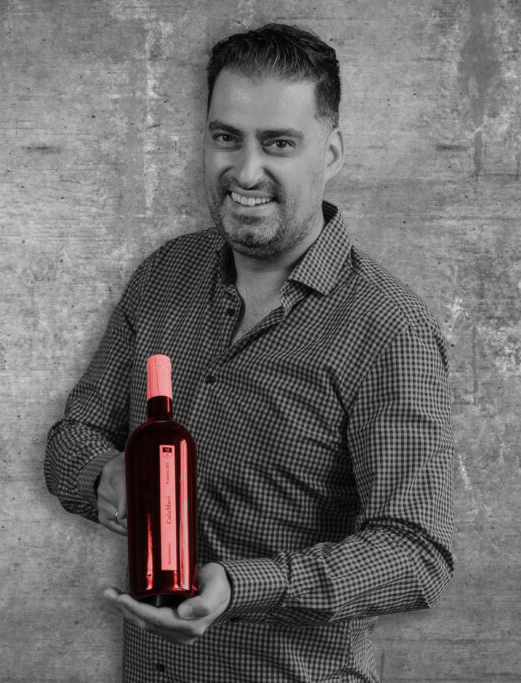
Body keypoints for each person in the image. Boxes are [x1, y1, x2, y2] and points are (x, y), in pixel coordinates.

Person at [44, 23, 455, 682]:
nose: (245, 171)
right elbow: (75, 433)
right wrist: (104, 476)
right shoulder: (164, 275)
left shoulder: (387, 328)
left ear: (332, 152)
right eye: (226, 137)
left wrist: (243, 585)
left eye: (279, 143)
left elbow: (415, 553)